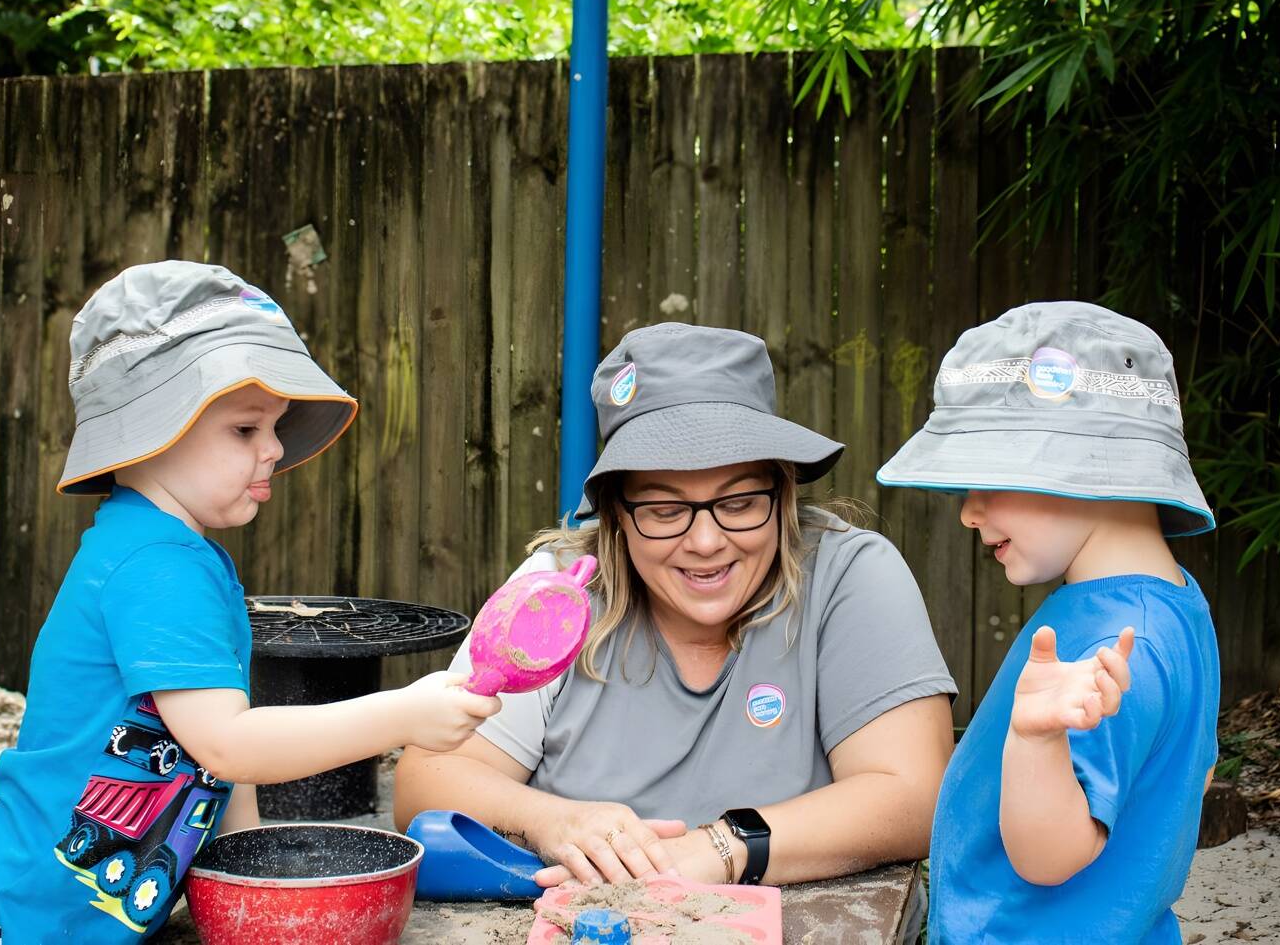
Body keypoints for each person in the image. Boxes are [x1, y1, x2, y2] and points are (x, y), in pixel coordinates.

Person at [0, 261, 500, 945]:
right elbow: (229, 745)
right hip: (15, 923)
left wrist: (246, 872)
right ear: (151, 428)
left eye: (276, 427)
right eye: (244, 430)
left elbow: (223, 765)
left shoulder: (180, 557)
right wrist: (402, 714)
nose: (276, 448)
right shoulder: (156, 568)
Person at [395, 322, 956, 907]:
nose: (707, 541)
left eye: (739, 502)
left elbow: (914, 796)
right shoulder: (554, 595)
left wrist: (721, 847)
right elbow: (427, 781)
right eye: (665, 510)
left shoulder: (848, 573)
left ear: (783, 490)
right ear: (614, 512)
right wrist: (552, 821)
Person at [877, 301, 1221, 943]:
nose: (968, 513)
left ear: (1087, 463)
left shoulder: (1114, 646)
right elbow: (1193, 774)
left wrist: (1036, 741)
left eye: (987, 480)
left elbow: (1049, 857)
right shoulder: (1176, 603)